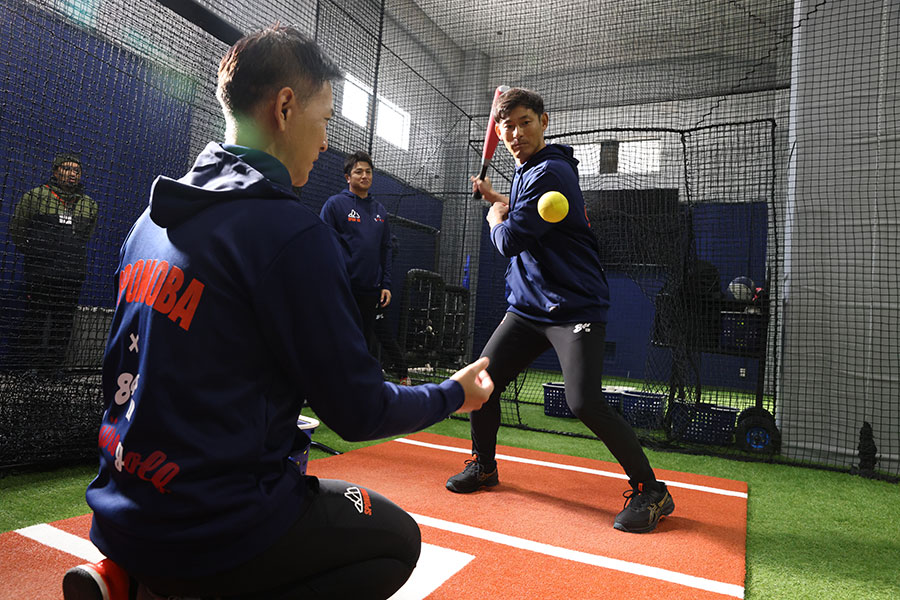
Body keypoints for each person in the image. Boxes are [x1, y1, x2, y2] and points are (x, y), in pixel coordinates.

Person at [63, 26, 493, 600]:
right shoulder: (290, 234)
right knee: (396, 540)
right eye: (325, 119)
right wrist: (452, 395)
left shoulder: (149, 221)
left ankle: (131, 581)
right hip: (214, 528)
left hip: (120, 513)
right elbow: (360, 413)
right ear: (285, 108)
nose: (326, 143)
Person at [446, 87, 674, 534]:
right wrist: (497, 197)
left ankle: (653, 491)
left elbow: (510, 239)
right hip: (528, 306)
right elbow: (525, 211)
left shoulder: (551, 171)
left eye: (525, 122)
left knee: (584, 401)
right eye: (507, 127)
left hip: (574, 305)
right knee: (483, 384)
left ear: (544, 122)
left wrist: (494, 218)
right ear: (499, 133)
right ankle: (484, 466)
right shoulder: (528, 170)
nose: (516, 133)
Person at [9, 152, 98, 372]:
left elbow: (86, 236)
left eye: (76, 170)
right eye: (67, 169)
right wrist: (35, 253)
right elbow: (18, 229)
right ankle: (28, 367)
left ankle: (53, 368)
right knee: (35, 318)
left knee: (63, 322)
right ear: (56, 172)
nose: (72, 174)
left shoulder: (89, 204)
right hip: (40, 272)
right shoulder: (35, 196)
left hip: (71, 274)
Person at [320, 150, 392, 355]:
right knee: (337, 339)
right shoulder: (335, 204)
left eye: (368, 172)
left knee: (364, 343)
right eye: (359, 172)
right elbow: (323, 244)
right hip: (342, 288)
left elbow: (386, 248)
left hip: (370, 291)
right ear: (347, 177)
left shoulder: (380, 211)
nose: (364, 176)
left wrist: (386, 285)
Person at [374, 235, 410, 385]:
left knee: (385, 336)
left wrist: (384, 286)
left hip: (377, 293)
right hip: (364, 291)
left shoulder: (385, 239)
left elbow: (391, 249)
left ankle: (403, 375)